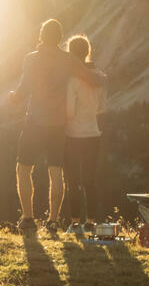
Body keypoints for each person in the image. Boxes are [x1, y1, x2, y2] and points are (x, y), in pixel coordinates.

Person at [8, 19, 106, 234]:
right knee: (55, 171)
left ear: (41, 36)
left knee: (23, 168)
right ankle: (52, 221)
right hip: (58, 125)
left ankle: (28, 218)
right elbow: (90, 78)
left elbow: (23, 90)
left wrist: (13, 97)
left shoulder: (30, 59)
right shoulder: (68, 60)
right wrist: (101, 77)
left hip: (34, 121)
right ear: (60, 38)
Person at [63, 35, 105, 235]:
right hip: (93, 135)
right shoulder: (100, 77)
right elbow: (101, 108)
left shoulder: (72, 79)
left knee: (72, 181)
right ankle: (91, 223)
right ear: (88, 52)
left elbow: (69, 111)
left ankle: (75, 223)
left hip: (73, 136)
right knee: (90, 180)